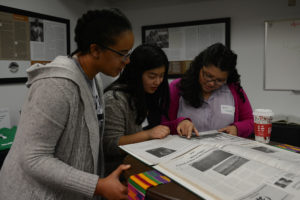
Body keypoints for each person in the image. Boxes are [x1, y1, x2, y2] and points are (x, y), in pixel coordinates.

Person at [0, 8, 134, 200]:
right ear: (95, 50)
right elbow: (33, 158)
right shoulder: (55, 84)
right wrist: (97, 185)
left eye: (129, 53)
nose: (127, 61)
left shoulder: (94, 79)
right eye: (122, 54)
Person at [103, 44, 197, 175]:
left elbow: (157, 128)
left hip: (148, 165)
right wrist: (147, 135)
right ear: (136, 73)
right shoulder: (115, 99)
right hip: (121, 173)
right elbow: (111, 145)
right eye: (152, 76)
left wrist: (180, 123)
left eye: (162, 75)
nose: (158, 82)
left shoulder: (149, 92)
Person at [166, 43, 254, 138]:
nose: (211, 83)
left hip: (223, 149)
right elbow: (163, 123)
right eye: (208, 76)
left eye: (219, 80)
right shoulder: (177, 87)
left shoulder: (234, 89)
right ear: (200, 67)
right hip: (187, 149)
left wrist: (237, 128)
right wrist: (179, 123)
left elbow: (251, 121)